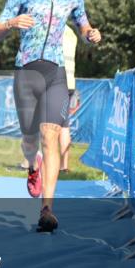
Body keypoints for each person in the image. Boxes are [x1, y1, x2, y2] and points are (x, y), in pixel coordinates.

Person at [0, 0, 101, 233]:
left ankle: (47, 208)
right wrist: (12, 23)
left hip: (56, 73)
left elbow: (84, 23)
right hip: (26, 70)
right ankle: (31, 165)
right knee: (30, 137)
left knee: (49, 135)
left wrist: (91, 33)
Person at [60, 25, 78, 173]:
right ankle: (64, 166)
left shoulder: (53, 28)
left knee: (49, 127)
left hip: (55, 82)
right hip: (69, 83)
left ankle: (33, 163)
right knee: (64, 126)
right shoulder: (71, 33)